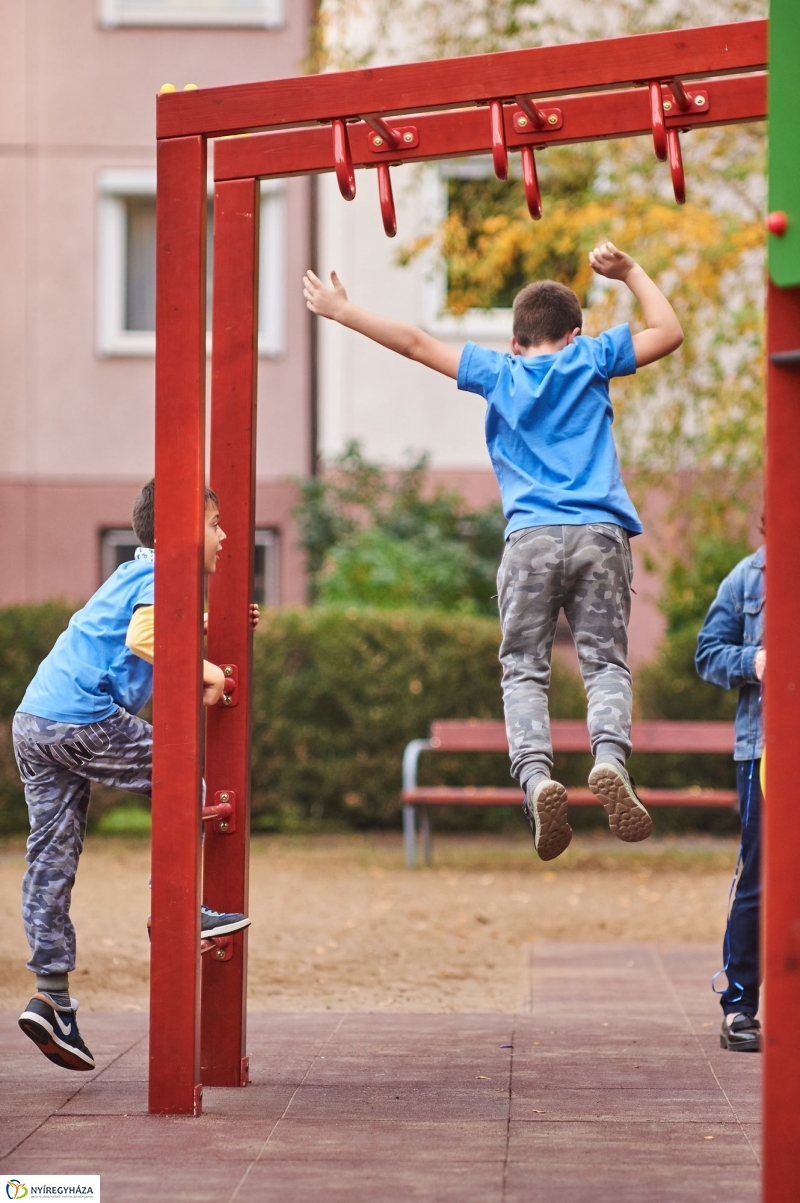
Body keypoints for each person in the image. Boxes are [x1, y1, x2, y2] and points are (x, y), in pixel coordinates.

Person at [303, 243, 683, 861]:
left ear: (515, 341)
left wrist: (344, 311)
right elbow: (669, 331)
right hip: (599, 535)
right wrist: (631, 272)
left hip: (530, 539)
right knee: (605, 663)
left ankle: (537, 782)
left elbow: (416, 343)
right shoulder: (591, 358)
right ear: (575, 332)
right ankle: (609, 760)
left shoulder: (500, 372)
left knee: (525, 669)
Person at [13, 479, 258, 1072]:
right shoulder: (162, 574)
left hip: (34, 721)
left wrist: (204, 622)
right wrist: (210, 673)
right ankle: (177, 912)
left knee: (50, 854)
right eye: (213, 524)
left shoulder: (137, 573)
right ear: (180, 530)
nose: (224, 536)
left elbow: (149, 628)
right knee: (185, 780)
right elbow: (145, 635)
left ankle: (52, 997)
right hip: (82, 717)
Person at [695, 544, 765, 1052]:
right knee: (759, 877)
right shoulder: (748, 576)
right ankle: (740, 1007)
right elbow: (706, 653)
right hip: (764, 751)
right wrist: (754, 660)